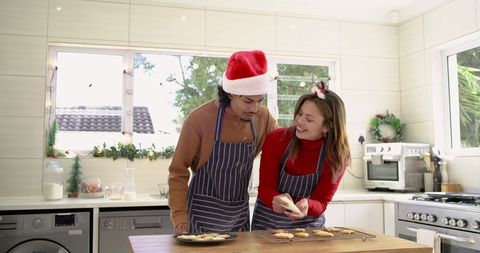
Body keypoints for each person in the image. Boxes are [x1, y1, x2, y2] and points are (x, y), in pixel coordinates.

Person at [168, 50, 277, 234]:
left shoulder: (263, 117)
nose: (255, 108)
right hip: (200, 219)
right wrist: (180, 219)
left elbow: (282, 152)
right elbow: (178, 171)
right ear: (230, 93)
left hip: (239, 217)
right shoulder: (199, 120)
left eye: (260, 100)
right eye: (248, 101)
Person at [251, 81, 350, 230]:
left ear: (327, 127)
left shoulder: (337, 157)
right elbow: (265, 188)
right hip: (267, 225)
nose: (299, 121)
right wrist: (274, 198)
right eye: (300, 113)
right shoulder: (277, 140)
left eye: (309, 119)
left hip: (308, 229)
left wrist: (308, 205)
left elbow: (321, 201)